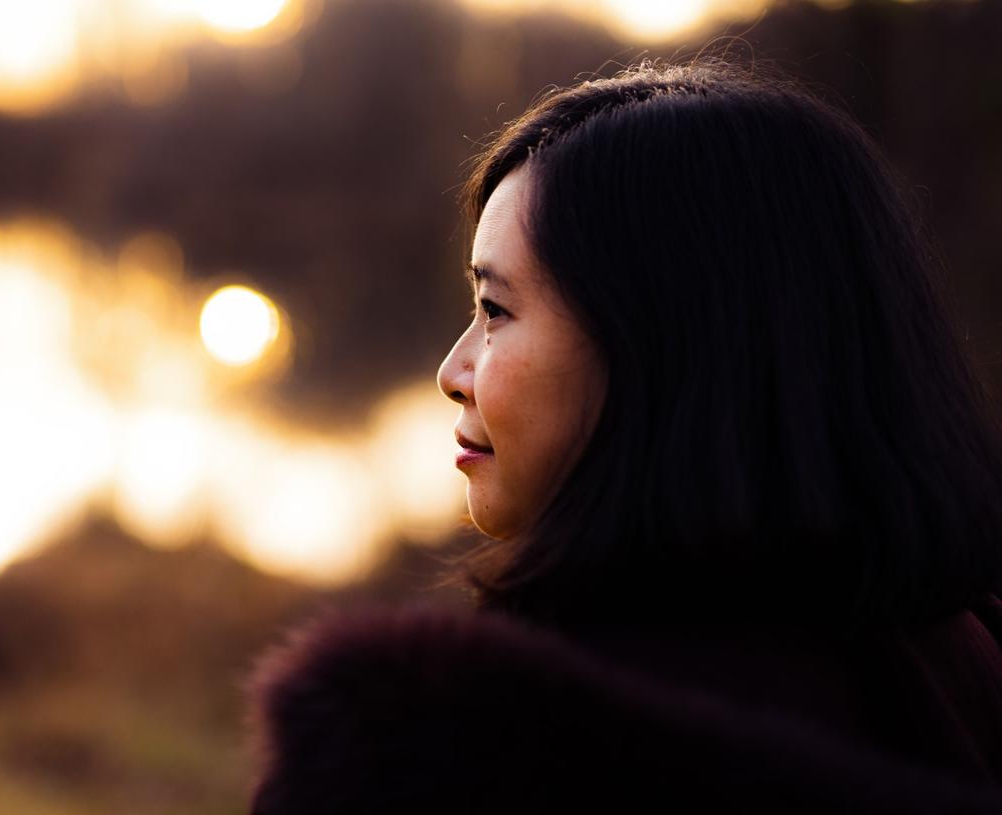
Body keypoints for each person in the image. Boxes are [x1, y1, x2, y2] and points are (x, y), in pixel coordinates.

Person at [242, 58, 1002, 812]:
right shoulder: (958, 667)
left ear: (671, 349)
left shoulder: (442, 761)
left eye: (496, 310)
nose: (453, 369)